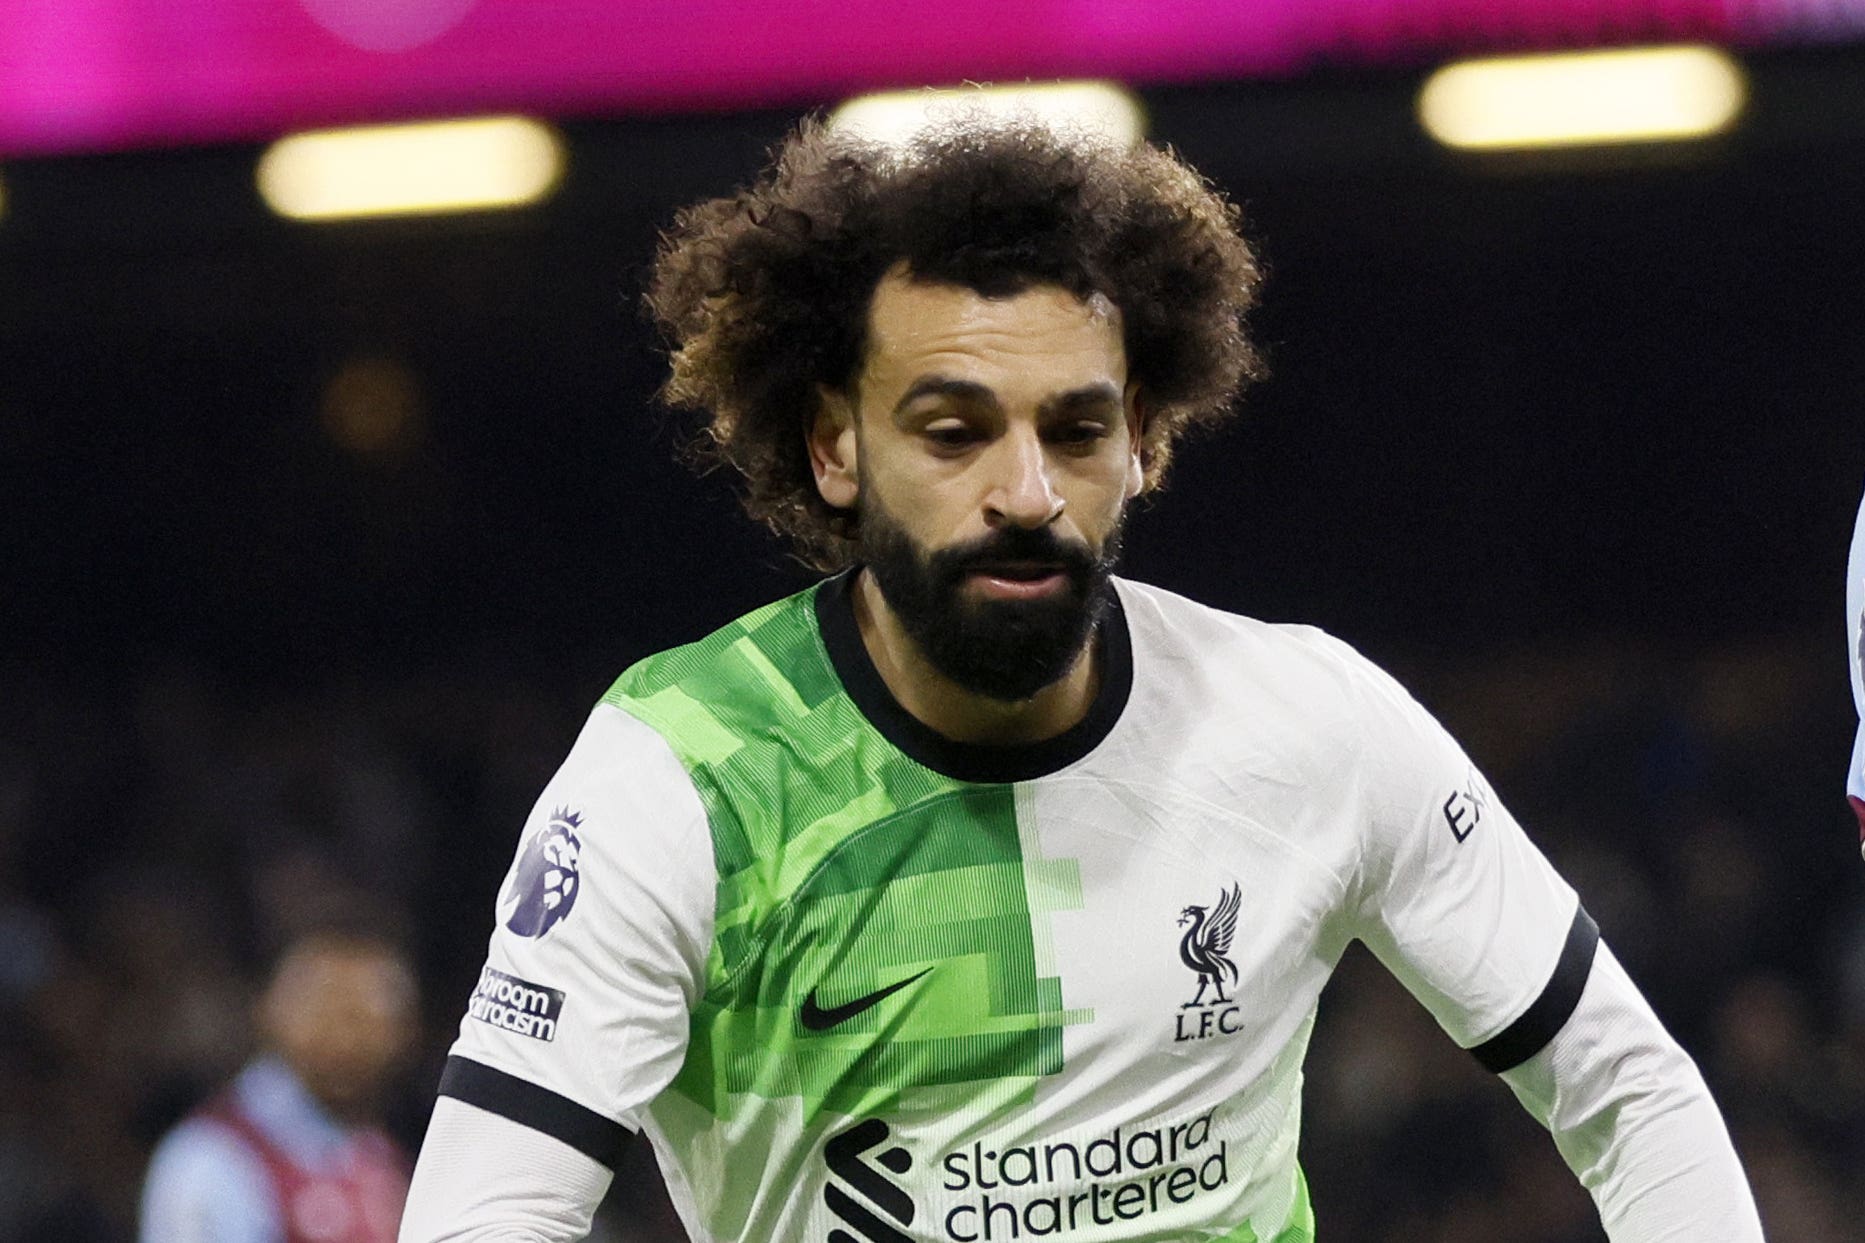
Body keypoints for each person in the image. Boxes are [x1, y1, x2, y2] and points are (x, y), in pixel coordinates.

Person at [399, 117, 1763, 1241]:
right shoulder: (679, 768)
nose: (1027, 491)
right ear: (833, 446)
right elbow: (482, 1215)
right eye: (953, 429)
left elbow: (1629, 1091)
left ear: (1146, 442)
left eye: (1077, 427)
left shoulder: (1308, 719)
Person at [142, 919, 418, 1243]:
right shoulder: (209, 1158)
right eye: (323, 1011)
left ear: (408, 1032)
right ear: (267, 1008)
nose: (344, 1039)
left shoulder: (385, 1160)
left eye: (362, 1018)